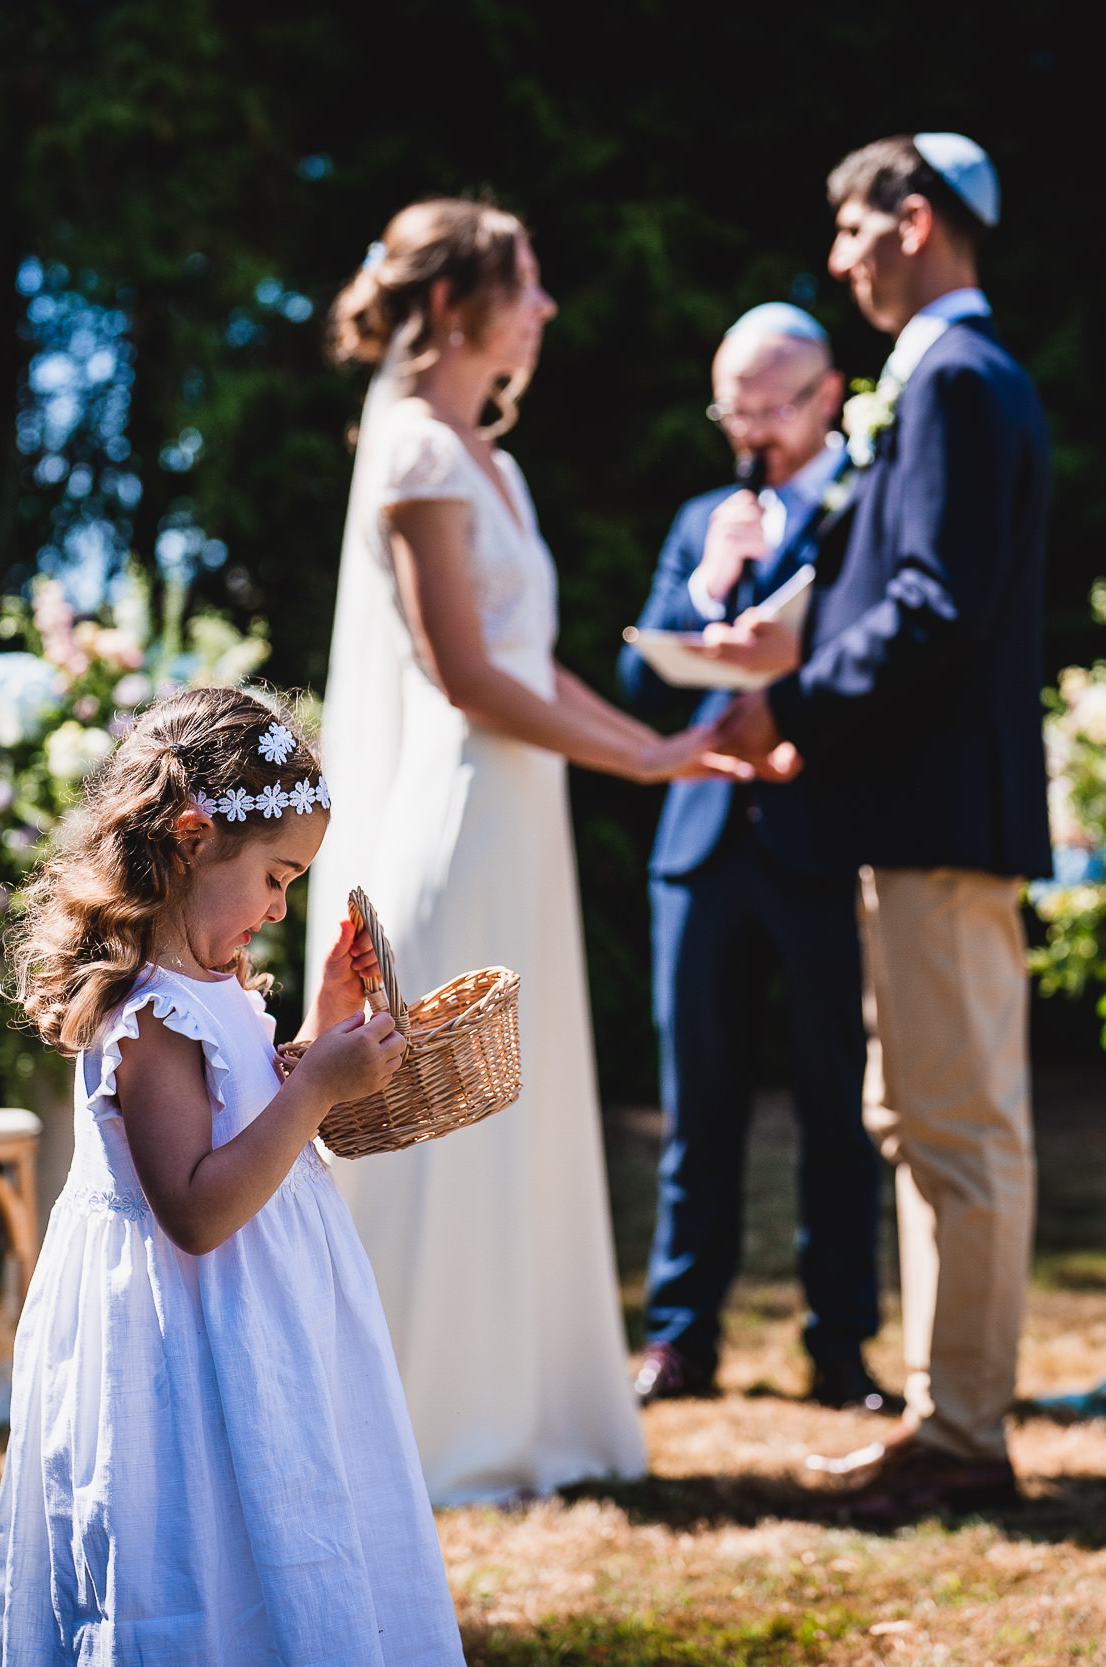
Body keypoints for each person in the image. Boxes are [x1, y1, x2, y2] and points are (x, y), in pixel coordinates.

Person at [306, 199, 716, 1504]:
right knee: (438, 1109)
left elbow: (538, 662)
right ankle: (413, 1413)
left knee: (518, 1107)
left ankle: (525, 1403)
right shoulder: (418, 452)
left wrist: (658, 742)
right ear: (454, 309)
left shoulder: (494, 460)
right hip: (464, 813)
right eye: (525, 283)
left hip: (522, 817)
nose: (546, 307)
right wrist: (640, 760)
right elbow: (468, 676)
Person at [710, 134, 1054, 1516]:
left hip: (942, 816)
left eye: (855, 229)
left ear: (916, 223)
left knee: (959, 1127)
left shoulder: (961, 382)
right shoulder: (948, 381)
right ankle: (943, 1415)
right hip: (915, 811)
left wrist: (787, 702)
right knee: (919, 1113)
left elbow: (935, 607)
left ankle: (966, 1434)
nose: (842, 256)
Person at [0, 686, 460, 1665]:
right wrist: (318, 1089)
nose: (281, 905)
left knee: (274, 1538)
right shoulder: (146, 1017)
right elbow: (198, 1210)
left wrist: (321, 1029)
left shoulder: (211, 989)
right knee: (191, 1553)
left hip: (253, 1325)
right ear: (194, 837)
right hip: (176, 1340)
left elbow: (250, 1126)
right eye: (277, 875)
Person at [616, 303, 891, 1413]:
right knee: (699, 1108)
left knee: (837, 1103)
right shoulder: (701, 517)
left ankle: (840, 1343)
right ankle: (681, 1336)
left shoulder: (865, 504)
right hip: (700, 848)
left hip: (821, 833)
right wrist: (703, 586)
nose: (749, 429)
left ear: (825, 395)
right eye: (732, 407)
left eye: (768, 406)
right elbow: (641, 684)